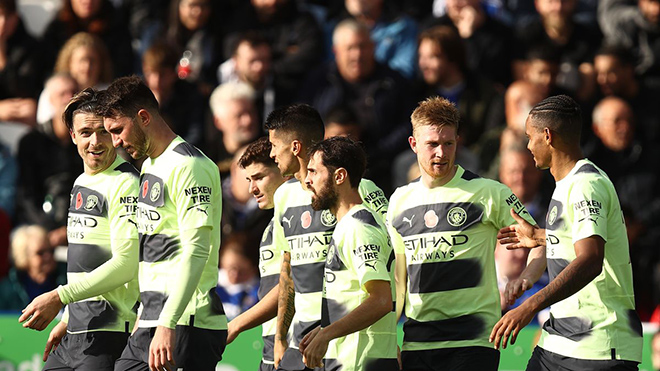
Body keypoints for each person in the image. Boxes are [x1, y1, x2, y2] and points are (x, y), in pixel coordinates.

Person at [491, 95, 643, 370]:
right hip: (560, 341)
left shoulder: (587, 184)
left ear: (547, 136)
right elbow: (563, 242)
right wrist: (526, 275)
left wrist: (530, 305)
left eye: (530, 137)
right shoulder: (564, 185)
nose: (528, 145)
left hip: (598, 346)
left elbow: (590, 259)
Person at [386, 96, 535, 371]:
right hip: (418, 343)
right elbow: (399, 280)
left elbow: (539, 240)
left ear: (458, 142)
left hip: (474, 341)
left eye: (448, 143)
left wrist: (526, 278)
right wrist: (387, 339)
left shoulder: (491, 192)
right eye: (432, 144)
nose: (441, 153)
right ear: (413, 144)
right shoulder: (398, 201)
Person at [97, 76, 227, 371]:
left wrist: (167, 323)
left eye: (118, 130)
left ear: (143, 117)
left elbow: (197, 250)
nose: (115, 142)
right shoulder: (151, 165)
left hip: (187, 320)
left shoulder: (189, 165)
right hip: (154, 318)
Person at [18, 88, 140, 370]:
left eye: (103, 132)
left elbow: (126, 264)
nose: (95, 141)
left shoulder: (126, 183)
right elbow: (84, 264)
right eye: (85, 132)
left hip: (108, 333)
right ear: (73, 136)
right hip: (75, 330)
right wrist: (67, 317)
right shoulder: (81, 182)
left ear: (115, 132)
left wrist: (60, 297)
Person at [266, 103, 388, 370]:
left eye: (274, 145)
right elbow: (288, 267)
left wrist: (391, 337)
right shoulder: (284, 196)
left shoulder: (359, 190)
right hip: (306, 337)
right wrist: (280, 336)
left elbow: (391, 259)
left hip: (347, 336)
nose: (272, 153)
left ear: (295, 146)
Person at [300, 136, 398, 370]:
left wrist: (327, 334)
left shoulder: (358, 227)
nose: (306, 180)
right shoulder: (349, 225)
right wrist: (326, 327)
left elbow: (381, 300)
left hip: (361, 363)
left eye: (314, 172)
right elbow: (356, 297)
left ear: (340, 176)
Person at [225, 136, 286, 371]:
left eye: (259, 177)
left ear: (284, 171)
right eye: (249, 180)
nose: (252, 188)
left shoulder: (305, 220)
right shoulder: (271, 225)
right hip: (272, 346)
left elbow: (290, 285)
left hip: (295, 346)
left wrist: (236, 324)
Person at [15, 73, 81, 248]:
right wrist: (49, 229)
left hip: (81, 226)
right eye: (62, 94)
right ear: (50, 100)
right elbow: (26, 195)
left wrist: (70, 229)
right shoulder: (31, 142)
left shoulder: (89, 141)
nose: (69, 98)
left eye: (73, 92)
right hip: (40, 228)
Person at [0, 225, 66, 310]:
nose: (48, 256)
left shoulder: (66, 279)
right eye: (40, 253)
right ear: (24, 256)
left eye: (51, 250)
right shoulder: (8, 288)